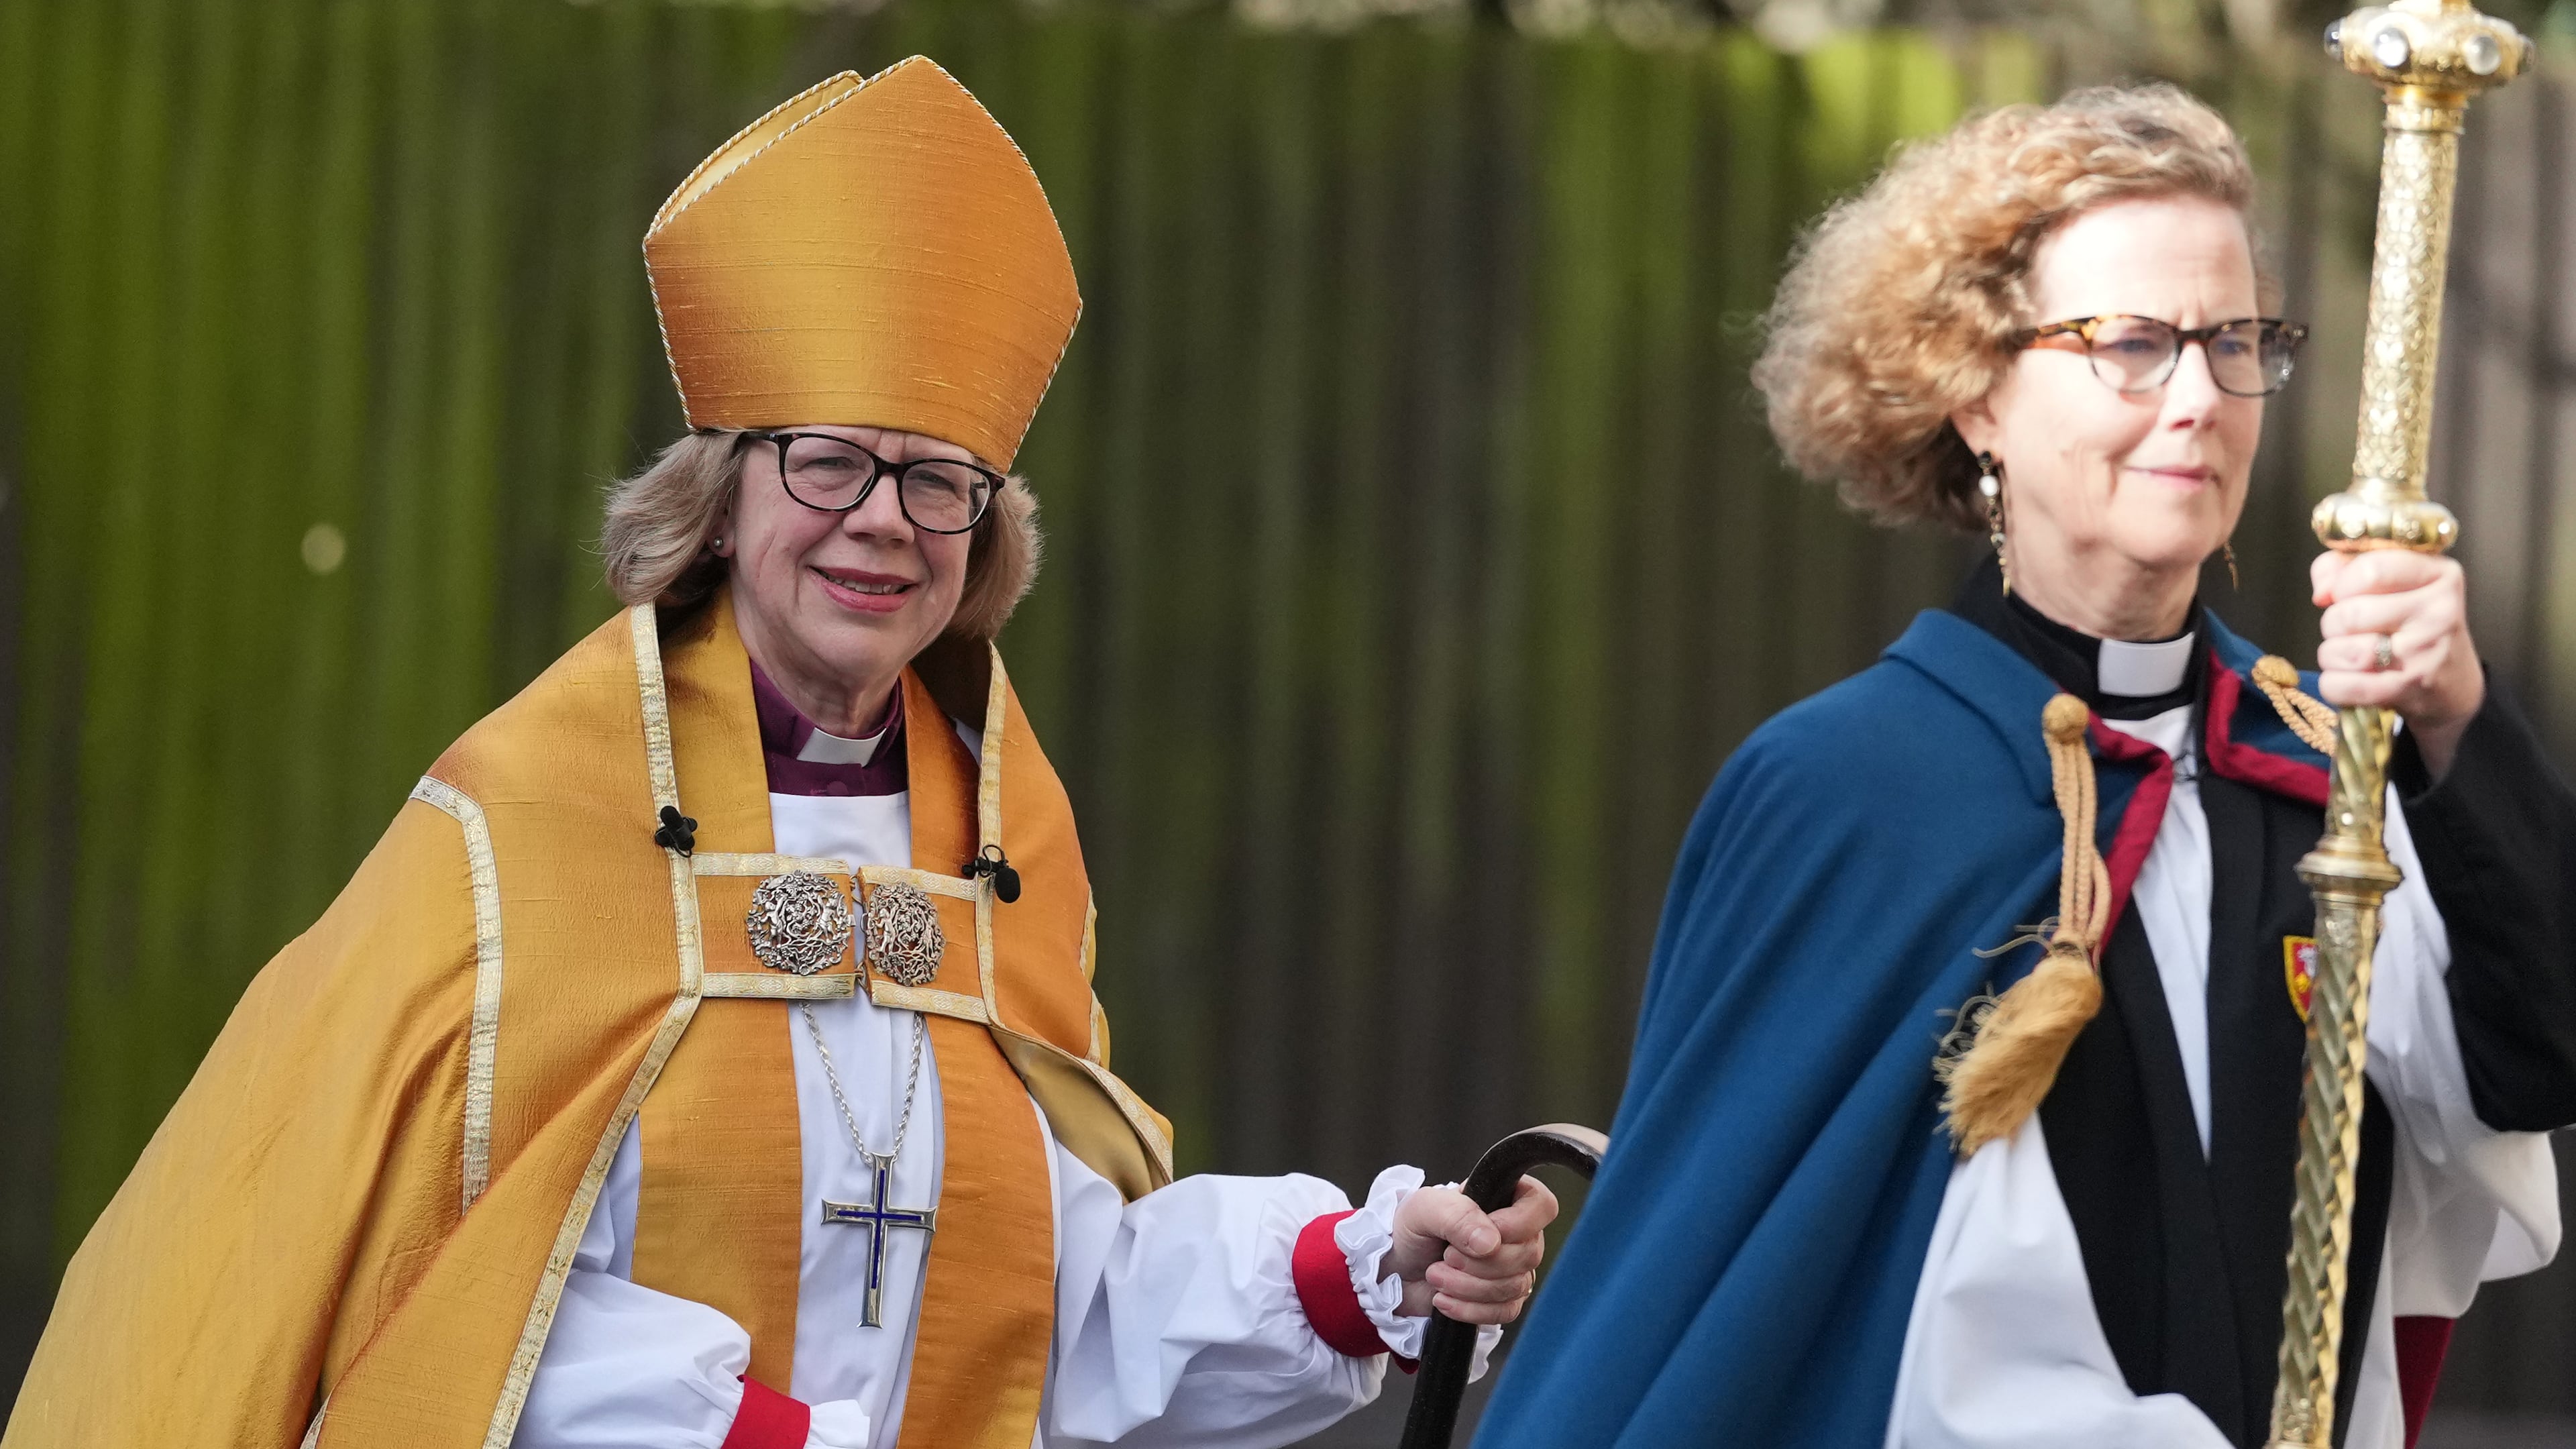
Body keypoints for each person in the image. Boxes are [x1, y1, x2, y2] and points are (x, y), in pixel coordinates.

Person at [4, 58, 1554, 1449]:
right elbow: (456, 1288)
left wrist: (1365, 1266)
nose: (882, 519)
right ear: (723, 497)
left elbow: (1047, 1315)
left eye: (940, 483)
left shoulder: (999, 849)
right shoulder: (531, 825)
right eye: (830, 463)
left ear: (985, 538)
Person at [1474, 85, 2576, 1449]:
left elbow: (2536, 1060)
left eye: (2234, 342)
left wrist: (2457, 717)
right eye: (2131, 343)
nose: (2198, 400)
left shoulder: (2314, 780)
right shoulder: (1846, 791)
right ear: (1978, 389)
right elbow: (1724, 1302)